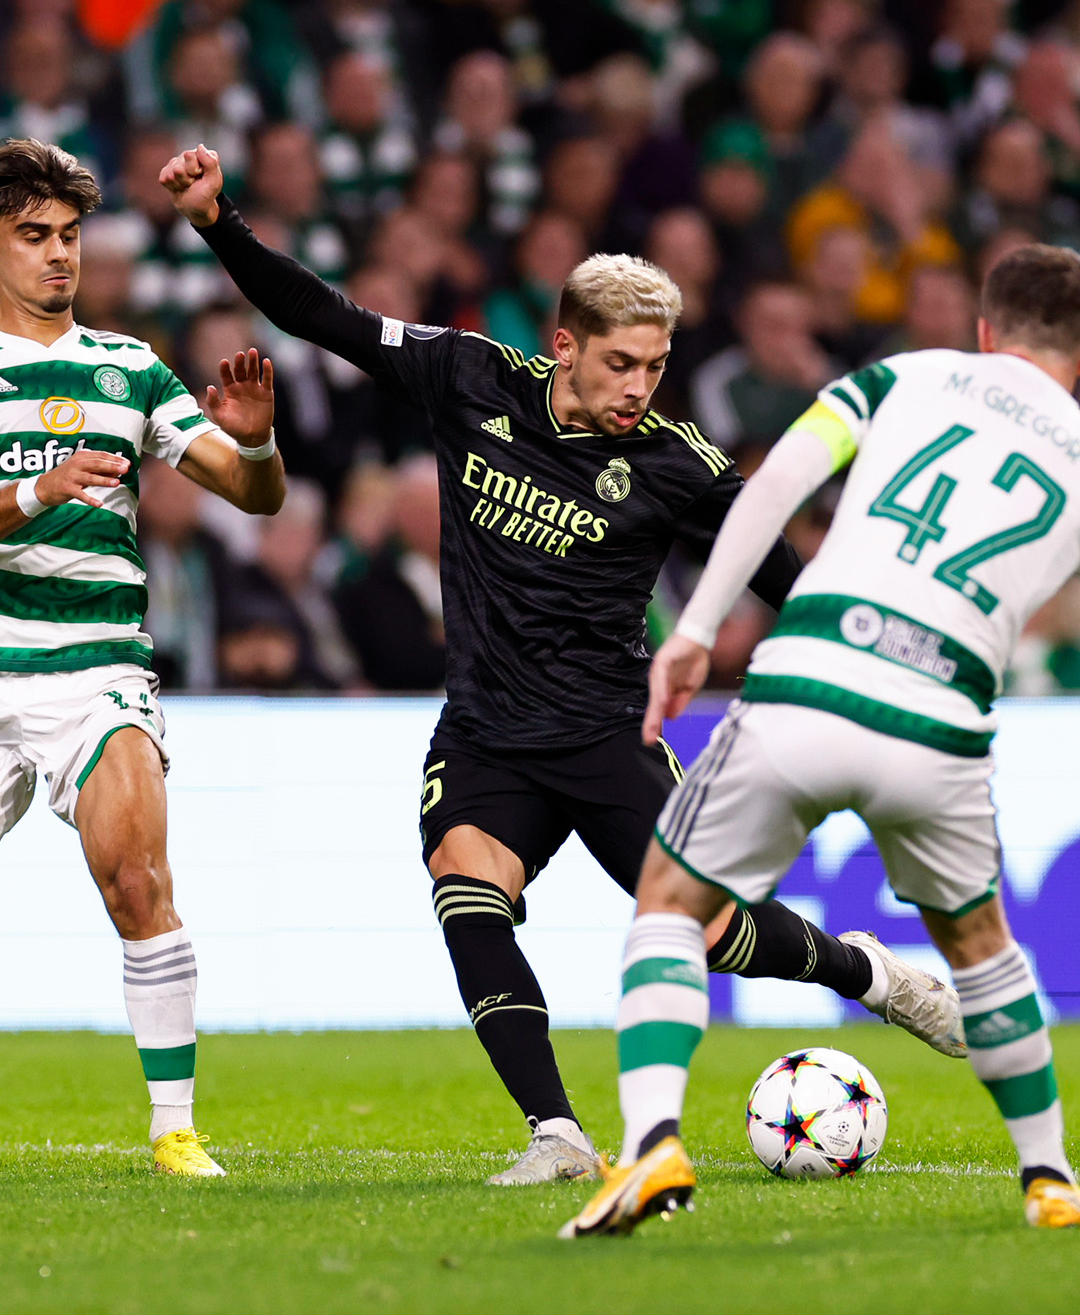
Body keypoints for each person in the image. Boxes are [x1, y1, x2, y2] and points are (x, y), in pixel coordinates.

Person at [160, 143, 963, 1187]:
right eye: (620, 363)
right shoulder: (468, 378)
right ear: (565, 344)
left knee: (716, 935)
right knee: (466, 885)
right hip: (487, 729)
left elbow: (777, 567)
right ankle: (557, 1132)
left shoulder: (675, 463)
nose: (638, 387)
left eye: (655, 366)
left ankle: (870, 973)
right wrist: (218, 219)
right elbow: (322, 315)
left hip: (608, 733)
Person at [561, 243, 1080, 1238]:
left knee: (670, 902)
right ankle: (1050, 1175)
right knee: (983, 948)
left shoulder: (905, 376)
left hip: (811, 675)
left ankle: (654, 1141)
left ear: (985, 330)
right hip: (940, 716)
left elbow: (770, 489)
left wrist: (696, 631)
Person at [0, 138, 284, 1177]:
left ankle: (175, 1129)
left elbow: (253, 495)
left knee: (138, 878)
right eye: (33, 235)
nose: (59, 254)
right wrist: (37, 491)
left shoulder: (129, 367)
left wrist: (255, 442)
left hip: (98, 672)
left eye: (70, 234)